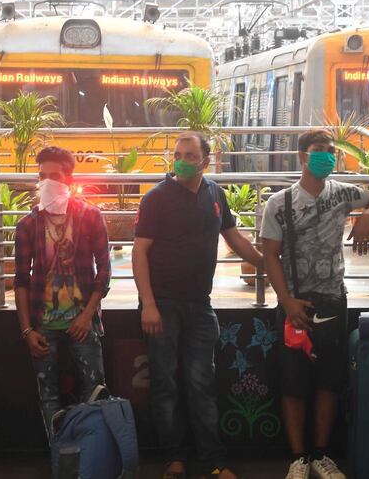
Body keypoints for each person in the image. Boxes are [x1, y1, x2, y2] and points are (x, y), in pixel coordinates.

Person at [133, 132, 263, 479]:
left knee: (202, 383)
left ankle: (213, 462)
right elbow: (139, 251)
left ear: (206, 160)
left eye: (189, 155)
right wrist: (148, 304)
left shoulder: (215, 194)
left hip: (200, 305)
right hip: (162, 304)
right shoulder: (156, 199)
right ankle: (173, 458)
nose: (181, 160)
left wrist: (267, 264)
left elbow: (233, 237)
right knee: (165, 384)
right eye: (177, 154)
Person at [260, 129, 369, 479]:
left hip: (334, 300)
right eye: (319, 151)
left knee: (329, 382)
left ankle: (321, 454)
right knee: (293, 383)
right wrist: (285, 300)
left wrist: (366, 218)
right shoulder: (280, 203)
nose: (327, 157)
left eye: (331, 151)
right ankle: (298, 458)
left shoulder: (344, 193)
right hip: (295, 304)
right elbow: (269, 254)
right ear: (303, 156)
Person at [15, 146, 111, 439]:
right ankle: (62, 456)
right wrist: (27, 330)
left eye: (54, 176)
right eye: (41, 176)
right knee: (48, 396)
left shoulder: (90, 217)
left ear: (68, 179)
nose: (46, 182)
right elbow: (20, 280)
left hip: (84, 323)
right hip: (43, 325)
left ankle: (93, 456)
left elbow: (104, 270)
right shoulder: (28, 225)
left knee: (95, 391)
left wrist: (87, 314)